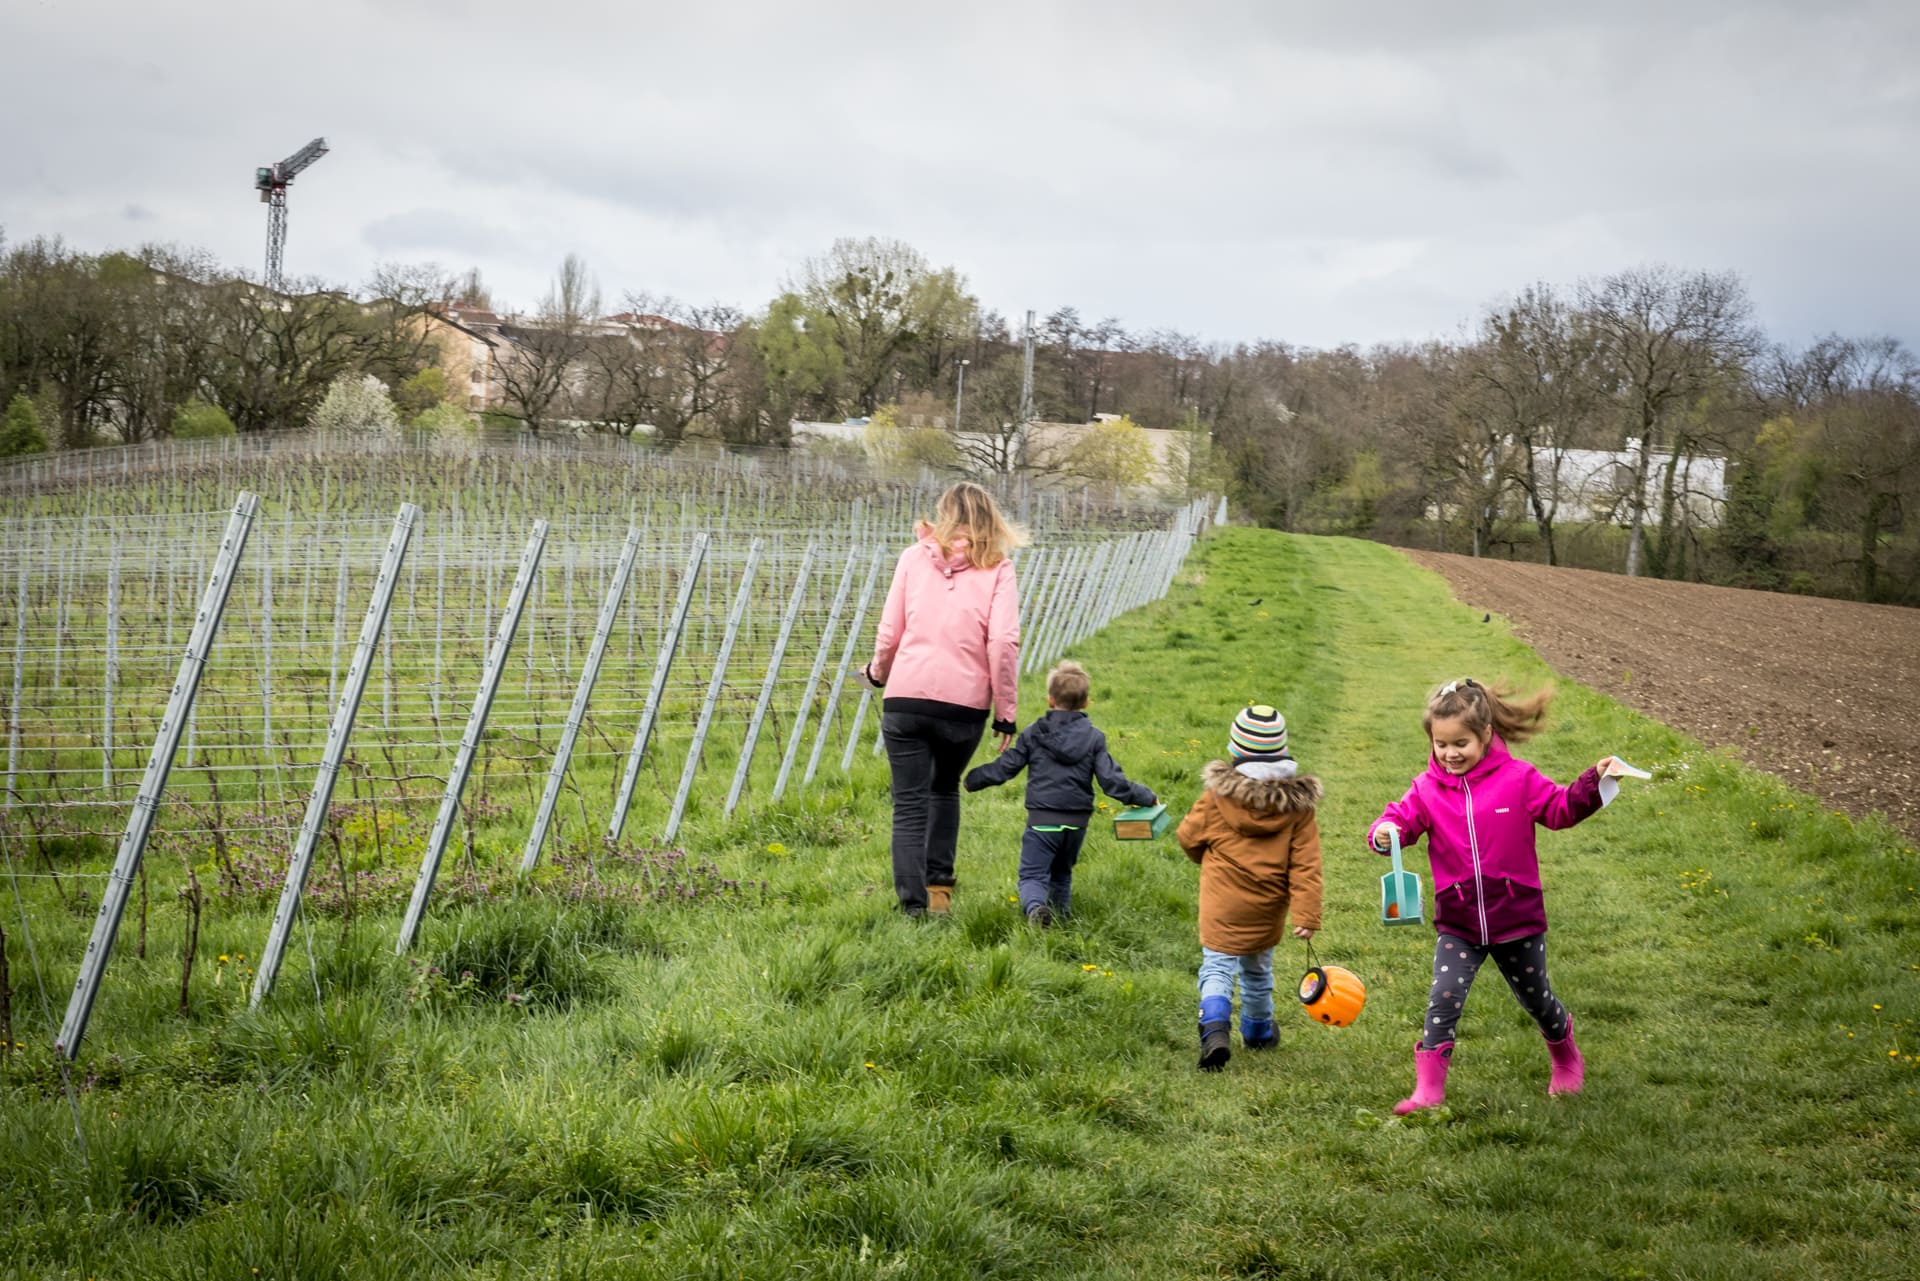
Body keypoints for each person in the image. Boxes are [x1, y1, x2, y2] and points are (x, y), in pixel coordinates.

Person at [1366, 677, 1625, 1115]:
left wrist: (1592, 782)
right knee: (1443, 997)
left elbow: (1561, 810)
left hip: (1517, 918)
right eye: (1441, 744)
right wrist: (1384, 833)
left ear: (1486, 735)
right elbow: (1400, 819)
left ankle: (1565, 1055)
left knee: (1536, 998)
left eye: (1461, 743)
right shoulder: (1426, 788)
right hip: (1459, 923)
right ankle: (1428, 1091)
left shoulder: (1518, 779)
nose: (1450, 754)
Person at [863, 482, 1023, 917]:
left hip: (906, 700)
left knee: (909, 804)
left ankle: (911, 908)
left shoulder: (912, 559)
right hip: (964, 707)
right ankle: (940, 894)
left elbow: (889, 633)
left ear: (944, 513)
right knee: (944, 789)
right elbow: (1004, 642)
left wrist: (878, 674)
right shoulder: (998, 568)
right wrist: (1005, 713)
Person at [1175, 704, 1323, 1071]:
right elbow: (1306, 864)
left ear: (1235, 752)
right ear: (1283, 753)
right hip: (1267, 906)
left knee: (1217, 967)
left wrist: (1203, 859)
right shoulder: (1298, 807)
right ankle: (1258, 1032)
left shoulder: (1216, 797)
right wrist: (1306, 914)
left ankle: (1214, 1029)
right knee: (1257, 970)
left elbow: (1188, 837)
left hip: (1221, 903)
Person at [962, 660, 1157, 927]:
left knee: (1032, 875)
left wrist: (974, 779)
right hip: (1077, 823)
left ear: (1050, 700)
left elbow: (1008, 766)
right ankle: (1060, 922)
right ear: (1086, 702)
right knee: (1062, 873)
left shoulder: (1033, 733)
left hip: (1043, 820)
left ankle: (1035, 909)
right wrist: (1145, 797)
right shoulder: (1094, 738)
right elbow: (1112, 782)